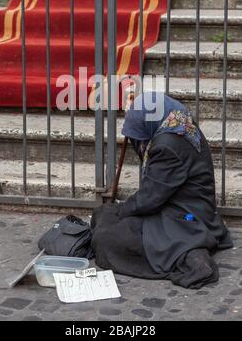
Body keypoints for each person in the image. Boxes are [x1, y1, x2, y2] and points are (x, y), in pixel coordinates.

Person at [91, 92, 233, 289]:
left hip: (185, 218)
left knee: (105, 239)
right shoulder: (178, 123)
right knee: (103, 214)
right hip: (177, 205)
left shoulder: (168, 145)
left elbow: (149, 199)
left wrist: (121, 212)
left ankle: (191, 255)